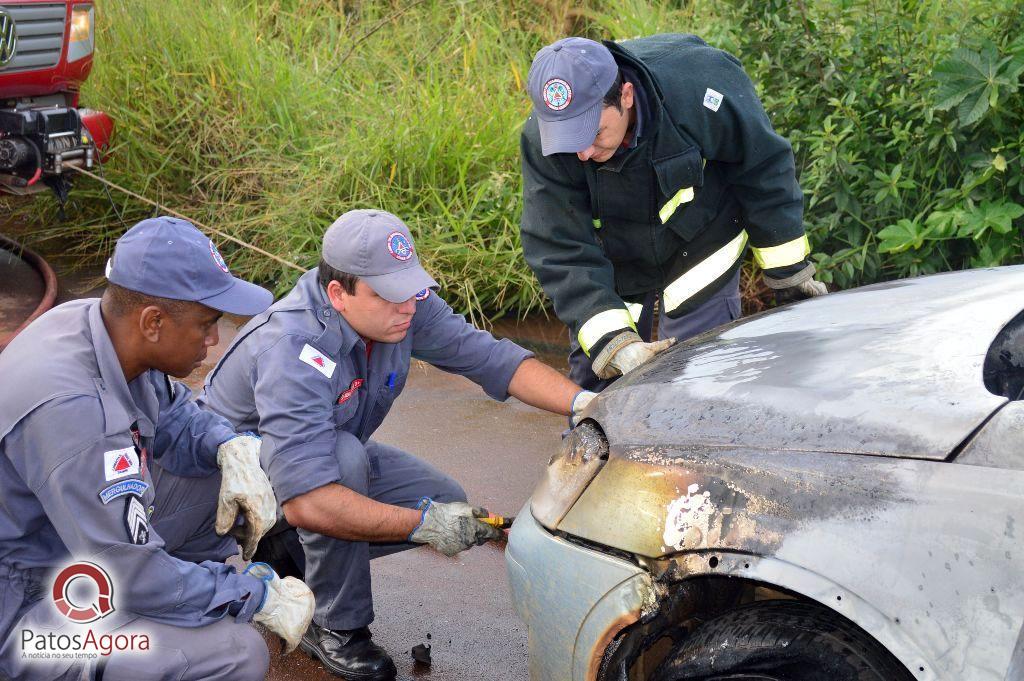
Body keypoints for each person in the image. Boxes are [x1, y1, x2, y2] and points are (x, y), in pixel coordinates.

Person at [199, 209, 591, 680]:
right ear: (337, 294)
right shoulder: (293, 348)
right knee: (345, 464)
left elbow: (490, 359)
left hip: (305, 469)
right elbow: (308, 501)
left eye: (410, 288)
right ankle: (332, 626)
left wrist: (585, 404)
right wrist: (425, 526)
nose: (406, 306)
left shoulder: (403, 306)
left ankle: (287, 561)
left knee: (442, 498)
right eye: (389, 295)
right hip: (233, 504)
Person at [0, 217, 315, 681]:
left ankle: (177, 602)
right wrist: (252, 595)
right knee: (235, 652)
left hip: (63, 547)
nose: (214, 340)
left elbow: (174, 414)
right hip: (25, 606)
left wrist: (230, 447)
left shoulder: (100, 327)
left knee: (221, 480)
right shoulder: (77, 412)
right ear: (153, 322)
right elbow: (126, 573)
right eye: (207, 325)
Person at [520, 34, 829, 391]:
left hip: (702, 243)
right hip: (618, 258)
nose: (583, 153)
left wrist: (790, 275)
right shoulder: (544, 138)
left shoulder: (700, 85)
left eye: (594, 133)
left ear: (626, 96)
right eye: (569, 140)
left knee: (699, 380)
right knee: (600, 388)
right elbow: (558, 244)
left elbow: (762, 168)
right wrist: (614, 343)